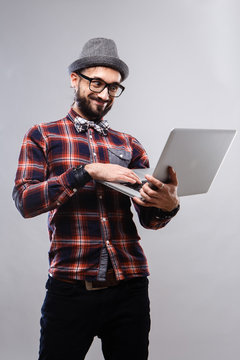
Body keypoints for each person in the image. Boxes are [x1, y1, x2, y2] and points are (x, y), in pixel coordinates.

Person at [13, 38, 180, 360]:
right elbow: (25, 201)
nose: (104, 95)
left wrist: (168, 205)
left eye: (114, 87)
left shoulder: (128, 143)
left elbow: (150, 220)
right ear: (74, 79)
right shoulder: (42, 135)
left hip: (130, 286)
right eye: (97, 83)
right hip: (71, 287)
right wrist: (86, 172)